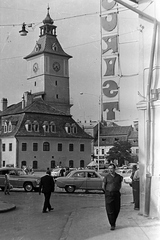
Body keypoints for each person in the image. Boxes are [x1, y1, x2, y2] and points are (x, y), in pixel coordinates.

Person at [103, 163, 123, 230]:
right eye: (109, 168)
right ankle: (112, 224)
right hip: (109, 194)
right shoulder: (106, 177)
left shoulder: (119, 177)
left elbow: (120, 184)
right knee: (110, 210)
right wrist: (107, 192)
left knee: (117, 209)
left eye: (111, 168)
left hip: (116, 194)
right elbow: (103, 186)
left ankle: (113, 221)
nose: (110, 170)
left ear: (114, 169)